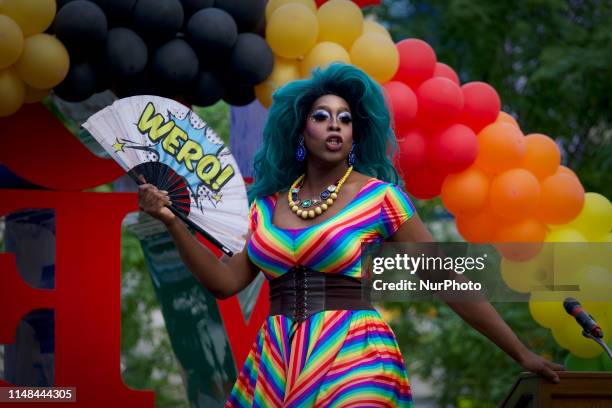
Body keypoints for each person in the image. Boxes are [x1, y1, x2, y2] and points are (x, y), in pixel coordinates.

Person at [138, 63, 564, 407]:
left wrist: (520, 352)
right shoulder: (264, 207)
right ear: (301, 131)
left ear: (356, 133)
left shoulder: (380, 198)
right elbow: (223, 283)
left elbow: (445, 279)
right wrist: (172, 221)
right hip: (277, 362)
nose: (335, 126)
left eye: (345, 119)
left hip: (355, 357)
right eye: (321, 117)